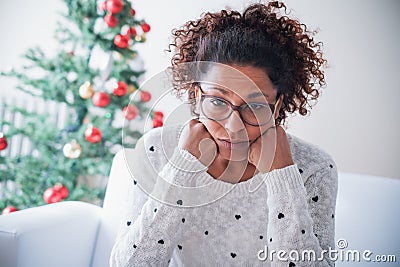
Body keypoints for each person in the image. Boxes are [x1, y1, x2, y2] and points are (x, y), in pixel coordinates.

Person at [110, 1, 338, 266]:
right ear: (196, 96)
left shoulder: (314, 168)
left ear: (277, 106)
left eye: (254, 105)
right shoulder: (156, 151)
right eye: (218, 102)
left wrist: (283, 178)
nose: (233, 127)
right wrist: (182, 168)